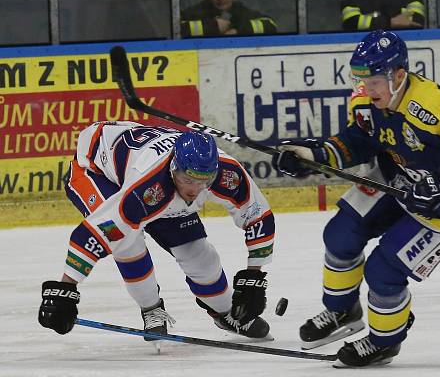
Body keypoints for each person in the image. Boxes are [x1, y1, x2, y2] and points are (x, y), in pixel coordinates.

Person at [272, 30, 440, 367]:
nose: (366, 88)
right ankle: (342, 312)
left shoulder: (430, 106)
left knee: (383, 271)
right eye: (360, 79)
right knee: (340, 235)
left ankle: (384, 341)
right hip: (397, 176)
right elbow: (359, 141)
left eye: (374, 81)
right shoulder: (366, 99)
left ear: (398, 75)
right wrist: (313, 154)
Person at [38, 123, 275, 342]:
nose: (195, 190)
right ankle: (151, 308)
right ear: (174, 168)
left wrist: (253, 276)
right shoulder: (149, 185)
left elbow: (258, 216)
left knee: (199, 256)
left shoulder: (225, 171)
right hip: (96, 170)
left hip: (141, 164)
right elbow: (99, 232)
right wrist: (65, 288)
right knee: (127, 242)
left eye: (204, 181)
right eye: (188, 180)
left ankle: (224, 313)